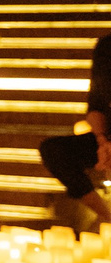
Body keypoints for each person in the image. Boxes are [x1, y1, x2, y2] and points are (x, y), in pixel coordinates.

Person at [38, 29, 111, 226]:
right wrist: (102, 142)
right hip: (108, 136)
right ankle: (108, 216)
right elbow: (96, 105)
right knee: (54, 151)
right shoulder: (107, 47)